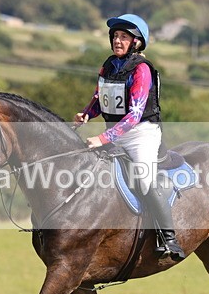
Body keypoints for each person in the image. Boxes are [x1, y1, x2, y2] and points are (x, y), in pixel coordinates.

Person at [74, 14, 185, 262]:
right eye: (115, 36)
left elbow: (134, 115)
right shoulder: (109, 66)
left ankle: (169, 239)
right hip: (113, 133)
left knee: (144, 181)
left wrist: (102, 138)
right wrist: (86, 114)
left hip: (140, 135)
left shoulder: (142, 70)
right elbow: (100, 100)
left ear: (136, 42)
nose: (117, 40)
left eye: (124, 36)